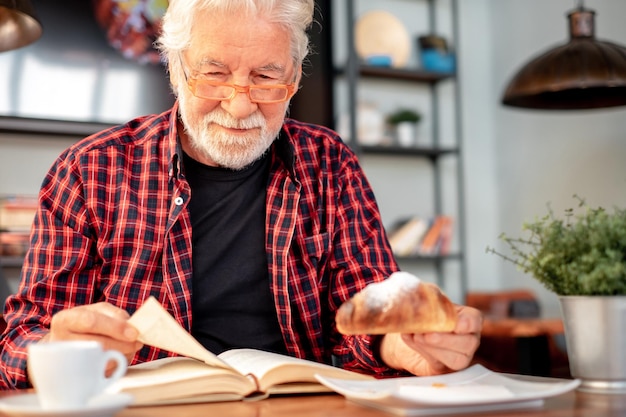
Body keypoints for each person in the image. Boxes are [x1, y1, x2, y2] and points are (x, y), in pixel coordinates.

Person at [0, 0, 482, 389]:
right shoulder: (89, 170)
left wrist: (406, 345)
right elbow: (16, 343)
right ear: (176, 69)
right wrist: (54, 348)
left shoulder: (330, 164)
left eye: (266, 77)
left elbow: (371, 308)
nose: (239, 103)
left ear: (292, 80)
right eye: (214, 73)